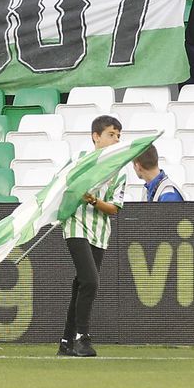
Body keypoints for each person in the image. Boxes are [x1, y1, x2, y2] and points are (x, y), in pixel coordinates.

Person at [59, 115, 126, 358]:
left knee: (81, 284)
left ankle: (66, 340)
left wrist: (95, 201)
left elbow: (114, 209)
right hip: (76, 226)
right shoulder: (79, 161)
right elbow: (61, 187)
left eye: (119, 135)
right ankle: (82, 337)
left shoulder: (120, 171)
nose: (116, 139)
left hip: (99, 232)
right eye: (111, 134)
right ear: (95, 136)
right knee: (90, 281)